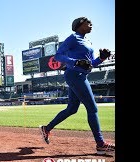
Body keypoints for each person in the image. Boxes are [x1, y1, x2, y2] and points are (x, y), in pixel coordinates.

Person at [39, 17, 115, 154]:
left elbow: (91, 64)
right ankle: (100, 144)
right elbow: (58, 56)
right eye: (88, 23)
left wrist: (101, 58)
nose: (91, 24)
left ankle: (47, 128)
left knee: (72, 109)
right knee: (92, 108)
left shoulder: (88, 41)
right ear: (80, 25)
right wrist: (75, 62)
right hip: (74, 75)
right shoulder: (73, 38)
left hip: (80, 75)